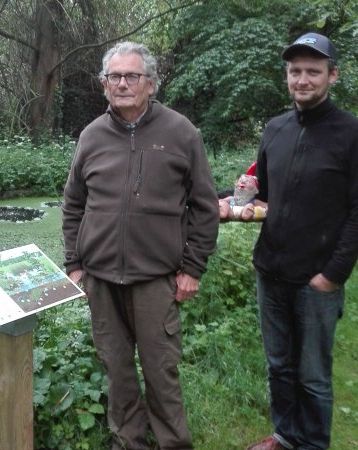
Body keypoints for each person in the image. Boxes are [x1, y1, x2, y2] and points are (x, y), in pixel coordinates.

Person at [61, 41, 219, 450]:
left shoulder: (181, 133)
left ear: (151, 83)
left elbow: (204, 206)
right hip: (99, 279)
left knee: (161, 371)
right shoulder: (92, 136)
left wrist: (193, 268)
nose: (123, 84)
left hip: (155, 279)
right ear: (104, 84)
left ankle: (173, 444)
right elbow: (73, 203)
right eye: (115, 76)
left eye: (132, 76)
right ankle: (128, 443)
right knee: (117, 372)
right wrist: (74, 264)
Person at [245, 32, 358, 450]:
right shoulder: (275, 129)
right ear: (287, 77)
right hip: (270, 272)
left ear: (333, 75)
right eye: (295, 71)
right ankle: (285, 436)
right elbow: (265, 197)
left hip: (317, 279)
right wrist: (231, 199)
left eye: (313, 71)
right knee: (279, 367)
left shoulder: (350, 133)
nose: (303, 79)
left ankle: (312, 444)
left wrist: (332, 275)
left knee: (313, 376)